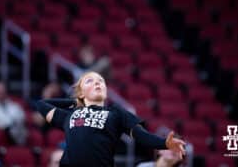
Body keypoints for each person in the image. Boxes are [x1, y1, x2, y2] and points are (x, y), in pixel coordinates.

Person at [35, 71, 186, 167]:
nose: (97, 83)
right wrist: (75, 102)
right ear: (81, 93)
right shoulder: (69, 115)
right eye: (90, 81)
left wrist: (164, 143)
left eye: (100, 81)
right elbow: (42, 104)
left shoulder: (116, 113)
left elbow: (141, 135)